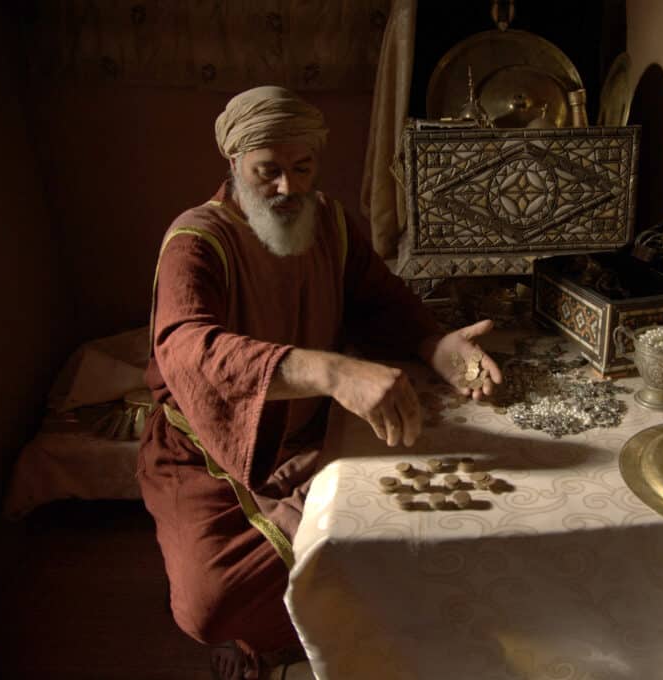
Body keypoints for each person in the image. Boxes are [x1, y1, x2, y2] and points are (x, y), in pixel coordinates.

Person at [137, 85, 503, 680]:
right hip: (211, 452)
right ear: (232, 164)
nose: (289, 189)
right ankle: (268, 639)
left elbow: (382, 302)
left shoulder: (330, 221)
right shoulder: (195, 240)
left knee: (419, 530)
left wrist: (436, 345)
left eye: (302, 167)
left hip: (315, 437)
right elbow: (188, 352)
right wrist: (332, 371)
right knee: (210, 605)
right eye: (269, 172)